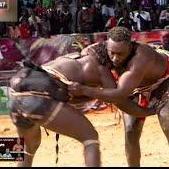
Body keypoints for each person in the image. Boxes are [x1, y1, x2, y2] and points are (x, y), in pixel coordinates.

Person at [9, 42, 160, 167]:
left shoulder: (70, 58)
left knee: (29, 147)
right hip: (39, 97)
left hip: (16, 94)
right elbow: (119, 100)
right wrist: (149, 111)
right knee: (90, 137)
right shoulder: (101, 69)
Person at [68, 27, 169, 167]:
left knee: (168, 123)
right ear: (106, 46)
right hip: (135, 87)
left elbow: (120, 94)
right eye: (112, 53)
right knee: (130, 131)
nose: (115, 58)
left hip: (164, 78)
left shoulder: (141, 57)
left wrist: (83, 89)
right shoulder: (97, 51)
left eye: (120, 54)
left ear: (130, 47)